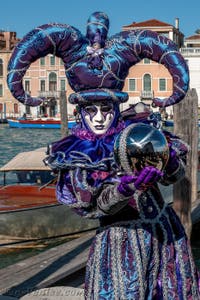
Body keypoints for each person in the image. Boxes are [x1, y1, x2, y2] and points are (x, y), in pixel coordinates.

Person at [6, 11, 199, 299]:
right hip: (119, 246)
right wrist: (124, 187)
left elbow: (175, 177)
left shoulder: (138, 134)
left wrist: (167, 161)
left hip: (164, 236)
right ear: (80, 112)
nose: (99, 119)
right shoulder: (76, 154)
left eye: (106, 110)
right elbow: (91, 207)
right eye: (90, 111)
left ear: (117, 108)